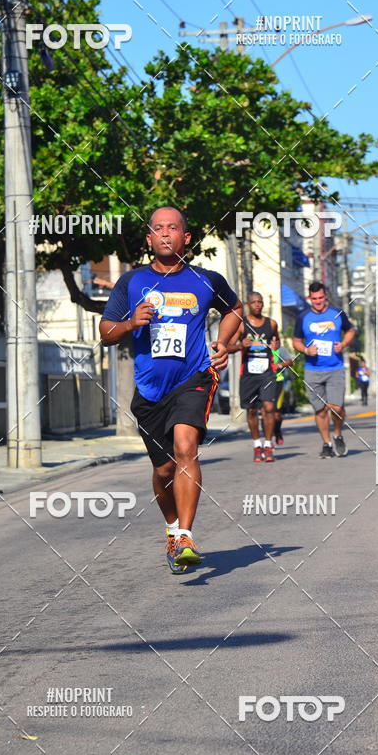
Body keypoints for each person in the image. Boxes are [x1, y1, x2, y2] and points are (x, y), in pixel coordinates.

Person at [100, 206, 242, 574]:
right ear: (149, 238)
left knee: (185, 447)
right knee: (163, 469)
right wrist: (131, 322)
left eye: (173, 228)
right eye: (158, 228)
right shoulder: (131, 282)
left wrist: (223, 343)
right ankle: (171, 528)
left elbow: (234, 310)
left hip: (194, 378)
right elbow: (105, 333)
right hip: (149, 389)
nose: (165, 233)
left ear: (186, 238)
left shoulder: (206, 279)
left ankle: (185, 536)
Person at [292, 281, 356, 458]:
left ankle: (338, 435)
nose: (318, 301)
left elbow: (350, 331)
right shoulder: (302, 317)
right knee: (320, 410)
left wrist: (343, 343)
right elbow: (296, 340)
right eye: (314, 299)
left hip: (335, 368)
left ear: (325, 296)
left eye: (320, 298)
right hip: (312, 369)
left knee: (336, 407)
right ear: (309, 298)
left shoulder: (337, 313)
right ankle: (326, 444)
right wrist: (305, 350)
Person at [227, 292, 280, 462]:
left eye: (260, 302)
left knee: (269, 408)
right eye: (254, 302)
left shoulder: (271, 324)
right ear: (248, 305)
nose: (258, 305)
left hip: (267, 372)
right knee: (251, 410)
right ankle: (257, 445)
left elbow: (276, 343)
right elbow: (227, 347)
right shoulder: (242, 325)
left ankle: (268, 445)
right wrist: (240, 345)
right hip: (249, 373)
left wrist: (276, 346)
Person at [273, 344, 295, 445]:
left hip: (277, 382)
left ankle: (277, 431)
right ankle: (268, 442)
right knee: (265, 413)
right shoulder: (258, 347)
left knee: (276, 414)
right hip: (261, 383)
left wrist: (280, 365)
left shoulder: (279, 349)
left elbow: (290, 362)